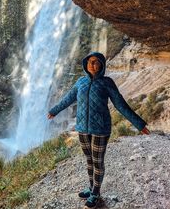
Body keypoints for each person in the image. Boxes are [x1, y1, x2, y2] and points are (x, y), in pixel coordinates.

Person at [47, 51, 150, 209]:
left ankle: (96, 192)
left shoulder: (107, 83)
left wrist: (139, 124)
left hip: (100, 128)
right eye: (89, 62)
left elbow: (120, 104)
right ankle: (91, 188)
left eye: (95, 62)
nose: (92, 65)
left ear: (101, 65)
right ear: (85, 64)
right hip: (82, 128)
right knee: (89, 160)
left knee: (97, 161)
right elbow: (68, 99)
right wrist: (54, 110)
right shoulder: (80, 82)